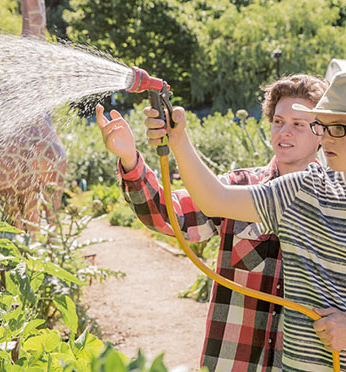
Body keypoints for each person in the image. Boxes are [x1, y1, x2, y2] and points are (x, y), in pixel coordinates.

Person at [141, 71, 346, 371]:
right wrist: (179, 139)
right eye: (322, 128)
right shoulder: (304, 191)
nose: (324, 140)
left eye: (337, 128)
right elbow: (217, 199)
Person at [96, 74, 329, 371]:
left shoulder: (338, 203)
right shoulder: (236, 189)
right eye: (278, 121)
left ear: (323, 132)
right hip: (233, 363)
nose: (285, 131)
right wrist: (130, 160)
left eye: (298, 124)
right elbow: (169, 214)